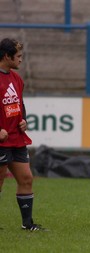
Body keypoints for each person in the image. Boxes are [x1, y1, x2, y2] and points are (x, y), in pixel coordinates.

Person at [0, 38, 44, 231]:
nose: (21, 60)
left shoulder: (17, 79)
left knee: (26, 178)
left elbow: (20, 104)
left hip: (16, 139)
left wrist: (23, 119)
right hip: (1, 140)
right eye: (18, 56)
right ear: (6, 56)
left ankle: (28, 224)